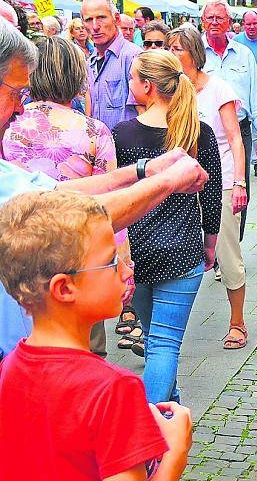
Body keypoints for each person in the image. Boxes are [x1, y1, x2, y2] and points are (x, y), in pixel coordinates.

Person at [0, 19, 210, 359]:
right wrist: (166, 180)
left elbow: (53, 194)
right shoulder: (94, 131)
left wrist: (144, 169)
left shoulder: (14, 139)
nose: (22, 106)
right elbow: (63, 213)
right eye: (16, 92)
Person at [0, 191, 193, 481]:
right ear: (64, 288)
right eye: (112, 261)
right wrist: (175, 452)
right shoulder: (115, 390)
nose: (127, 270)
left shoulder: (9, 368)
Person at [1, 35, 133, 358]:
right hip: (80, 262)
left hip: (22, 266)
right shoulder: (94, 131)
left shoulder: (14, 127)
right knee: (87, 353)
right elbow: (107, 205)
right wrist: (121, 262)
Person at [113, 50, 223, 403]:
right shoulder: (197, 132)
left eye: (132, 78)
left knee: (153, 338)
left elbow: (117, 193)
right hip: (183, 249)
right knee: (164, 344)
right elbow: (212, 194)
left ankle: (155, 424)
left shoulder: (124, 134)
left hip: (139, 249)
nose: (131, 85)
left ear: (147, 86)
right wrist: (210, 242)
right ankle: (163, 416)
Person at [168, 26, 251, 351]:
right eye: (169, 48)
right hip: (180, 180)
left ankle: (237, 322)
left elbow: (234, 139)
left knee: (226, 253)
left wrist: (240, 181)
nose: (172, 53)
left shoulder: (217, 89)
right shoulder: (171, 90)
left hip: (221, 179)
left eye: (177, 48)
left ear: (193, 53)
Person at [201, 0, 257, 235]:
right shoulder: (196, 53)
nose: (214, 22)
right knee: (209, 186)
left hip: (239, 129)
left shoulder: (243, 54)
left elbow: (255, 93)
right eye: (210, 18)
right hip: (205, 131)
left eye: (220, 18)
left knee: (240, 186)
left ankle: (235, 242)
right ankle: (214, 242)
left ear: (229, 23)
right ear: (202, 22)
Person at [82, 0, 142, 130]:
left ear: (117, 19)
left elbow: (143, 110)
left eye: (101, 17)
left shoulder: (132, 56)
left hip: (126, 147)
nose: (95, 26)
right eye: (89, 20)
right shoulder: (90, 61)